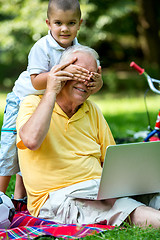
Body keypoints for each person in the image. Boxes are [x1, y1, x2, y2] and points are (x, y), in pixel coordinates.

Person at [16, 45, 160, 228]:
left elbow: (112, 161)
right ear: (61, 73)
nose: (85, 81)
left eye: (91, 76)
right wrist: (51, 90)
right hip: (58, 197)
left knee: (154, 195)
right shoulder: (32, 103)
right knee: (126, 208)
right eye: (79, 73)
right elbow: (31, 140)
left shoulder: (91, 109)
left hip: (99, 189)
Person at [0, 0, 103, 200]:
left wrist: (97, 83)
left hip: (47, 102)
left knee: (32, 151)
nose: (64, 29)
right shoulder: (42, 48)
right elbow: (37, 82)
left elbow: (93, 79)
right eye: (58, 23)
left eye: (71, 23)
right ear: (48, 23)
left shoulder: (79, 51)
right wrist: (61, 71)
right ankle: (0, 196)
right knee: (10, 148)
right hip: (23, 99)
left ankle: (20, 199)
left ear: (80, 23)